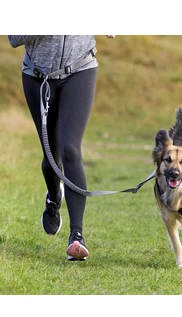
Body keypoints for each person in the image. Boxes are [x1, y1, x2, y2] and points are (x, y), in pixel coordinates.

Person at [8, 35, 115, 261]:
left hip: (80, 69)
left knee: (71, 150)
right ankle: (54, 198)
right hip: (37, 77)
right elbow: (14, 38)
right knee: (51, 156)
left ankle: (77, 236)